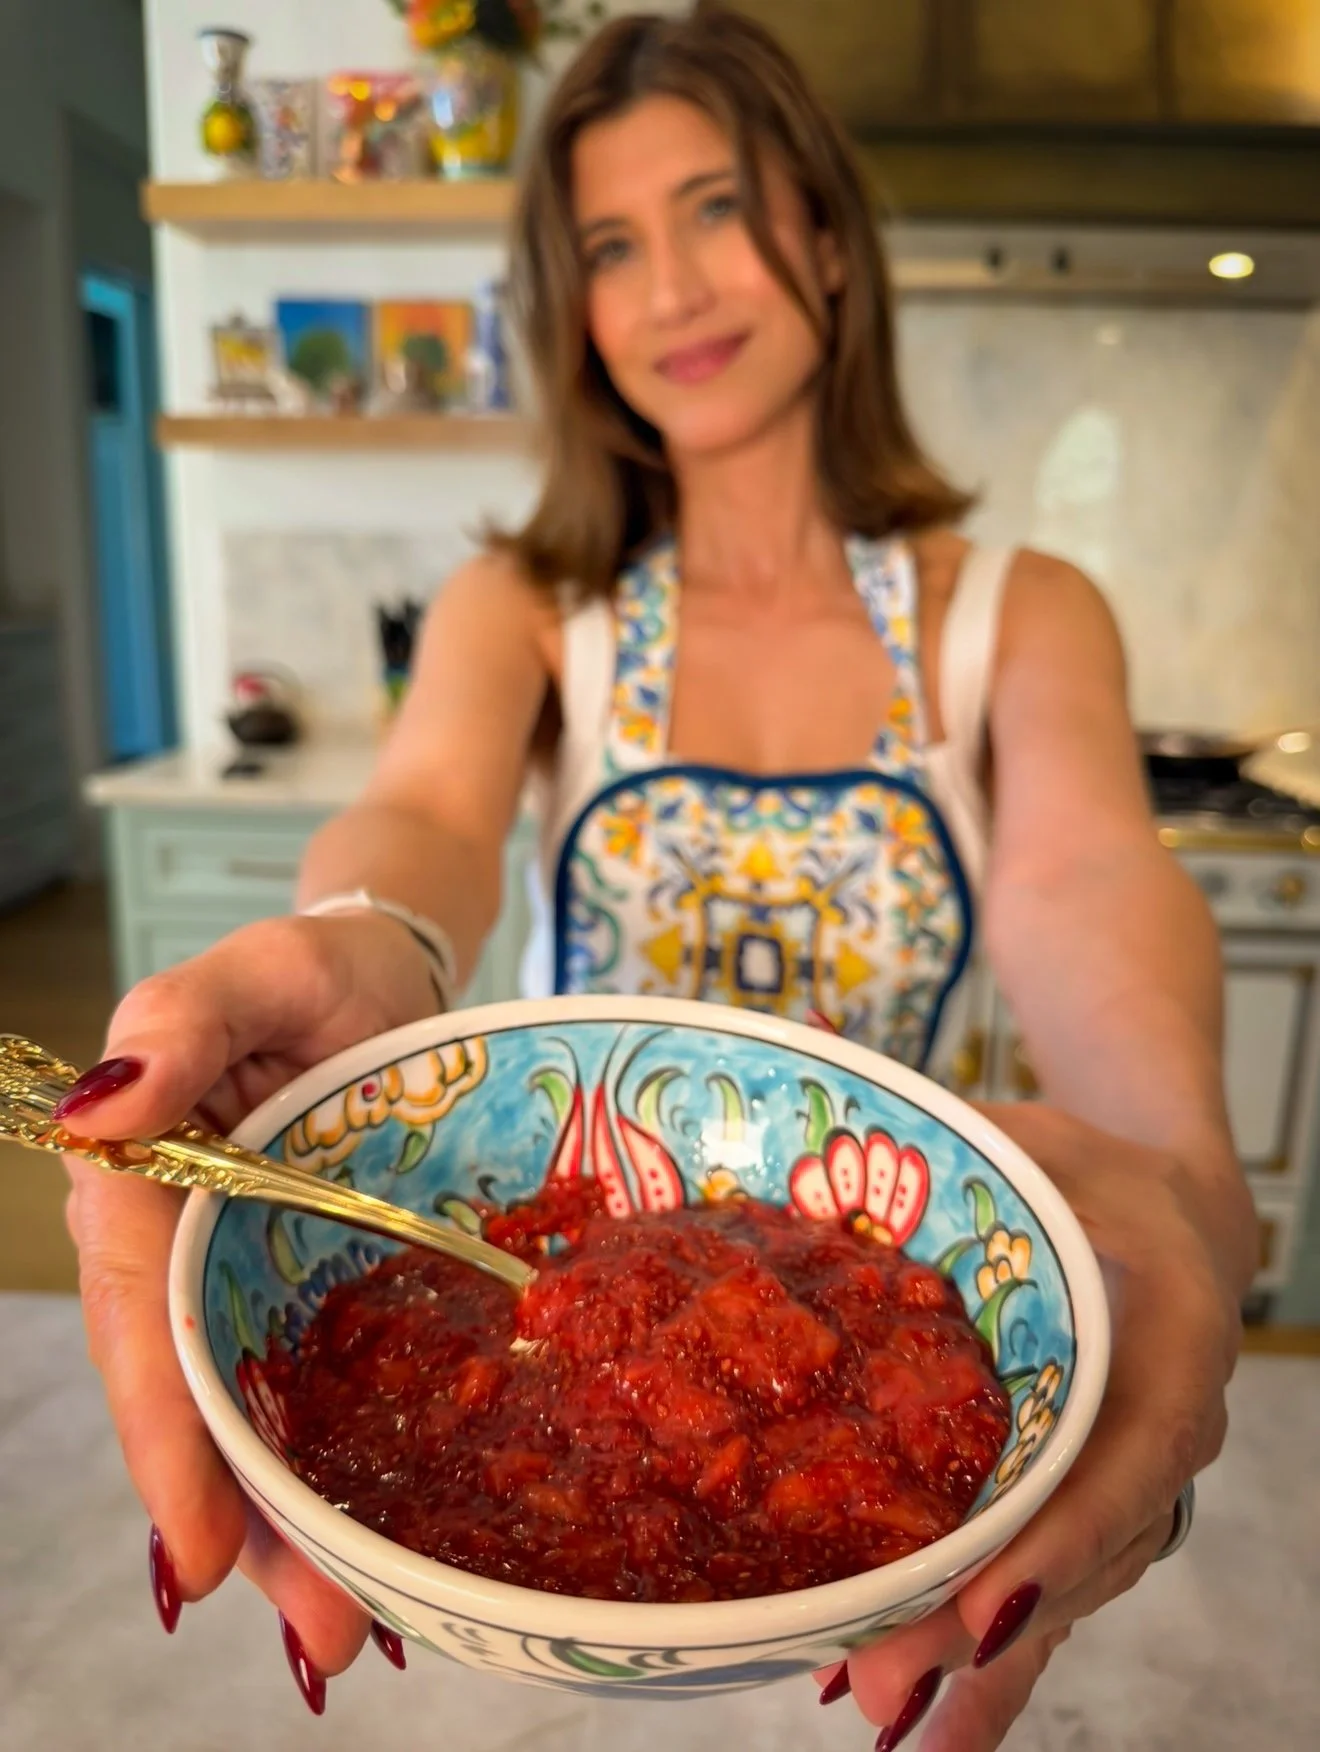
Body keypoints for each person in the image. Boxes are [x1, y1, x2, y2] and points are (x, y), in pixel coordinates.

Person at [59, 8, 1253, 1746]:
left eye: (717, 209)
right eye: (611, 247)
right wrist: (357, 938)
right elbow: (428, 817)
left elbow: (1087, 891)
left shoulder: (1015, 614)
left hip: (897, 1463)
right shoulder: (529, 607)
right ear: (578, 313)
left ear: (831, 246)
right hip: (548, 1490)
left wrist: (1179, 1182)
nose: (673, 288)